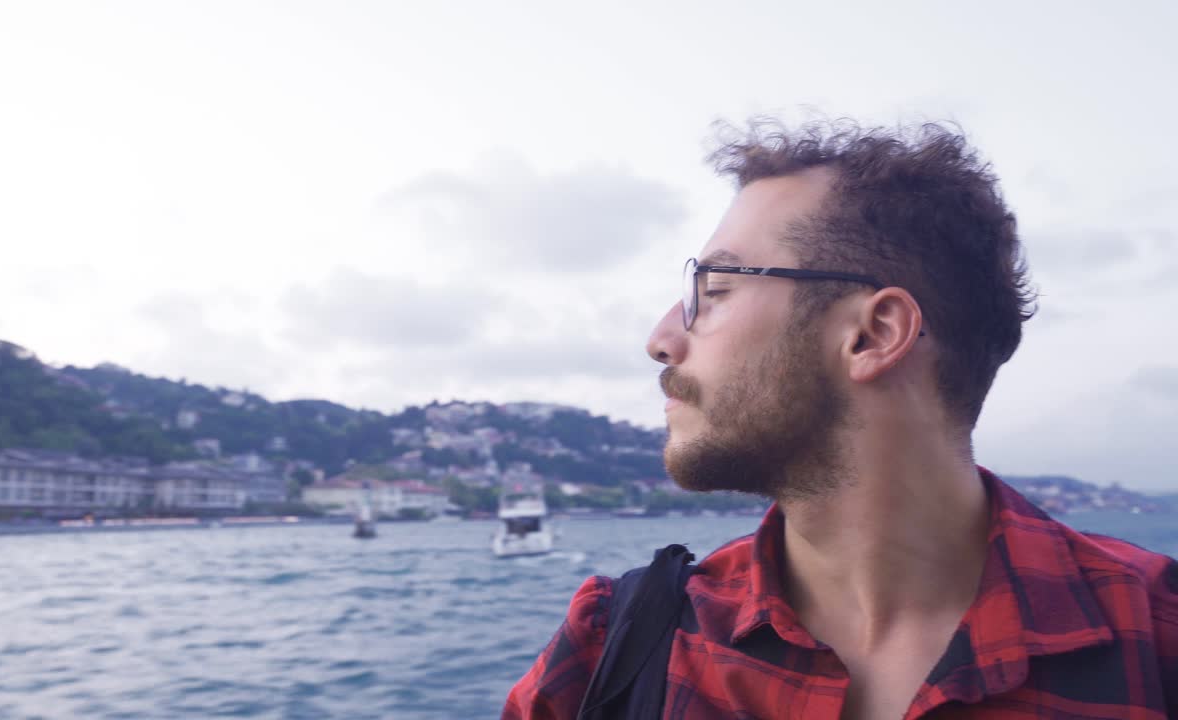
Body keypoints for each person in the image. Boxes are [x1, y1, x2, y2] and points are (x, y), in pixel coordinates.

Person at [502, 119, 1177, 719]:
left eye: (716, 291)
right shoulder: (621, 646)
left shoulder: (1159, 636)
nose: (661, 338)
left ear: (872, 334)